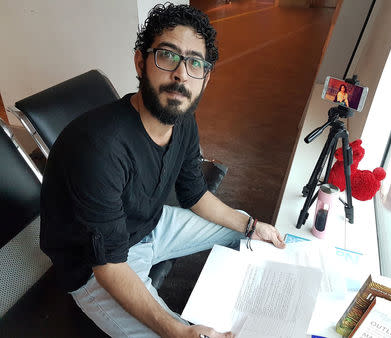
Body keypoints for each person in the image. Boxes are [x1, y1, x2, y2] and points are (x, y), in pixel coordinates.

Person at [40, 3, 285, 338]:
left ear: (205, 77)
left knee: (246, 230)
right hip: (95, 268)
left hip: (152, 225)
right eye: (168, 56)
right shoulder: (98, 147)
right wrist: (178, 331)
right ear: (141, 62)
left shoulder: (182, 120)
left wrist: (252, 224)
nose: (181, 74)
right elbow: (109, 267)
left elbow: (195, 194)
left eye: (194, 63)